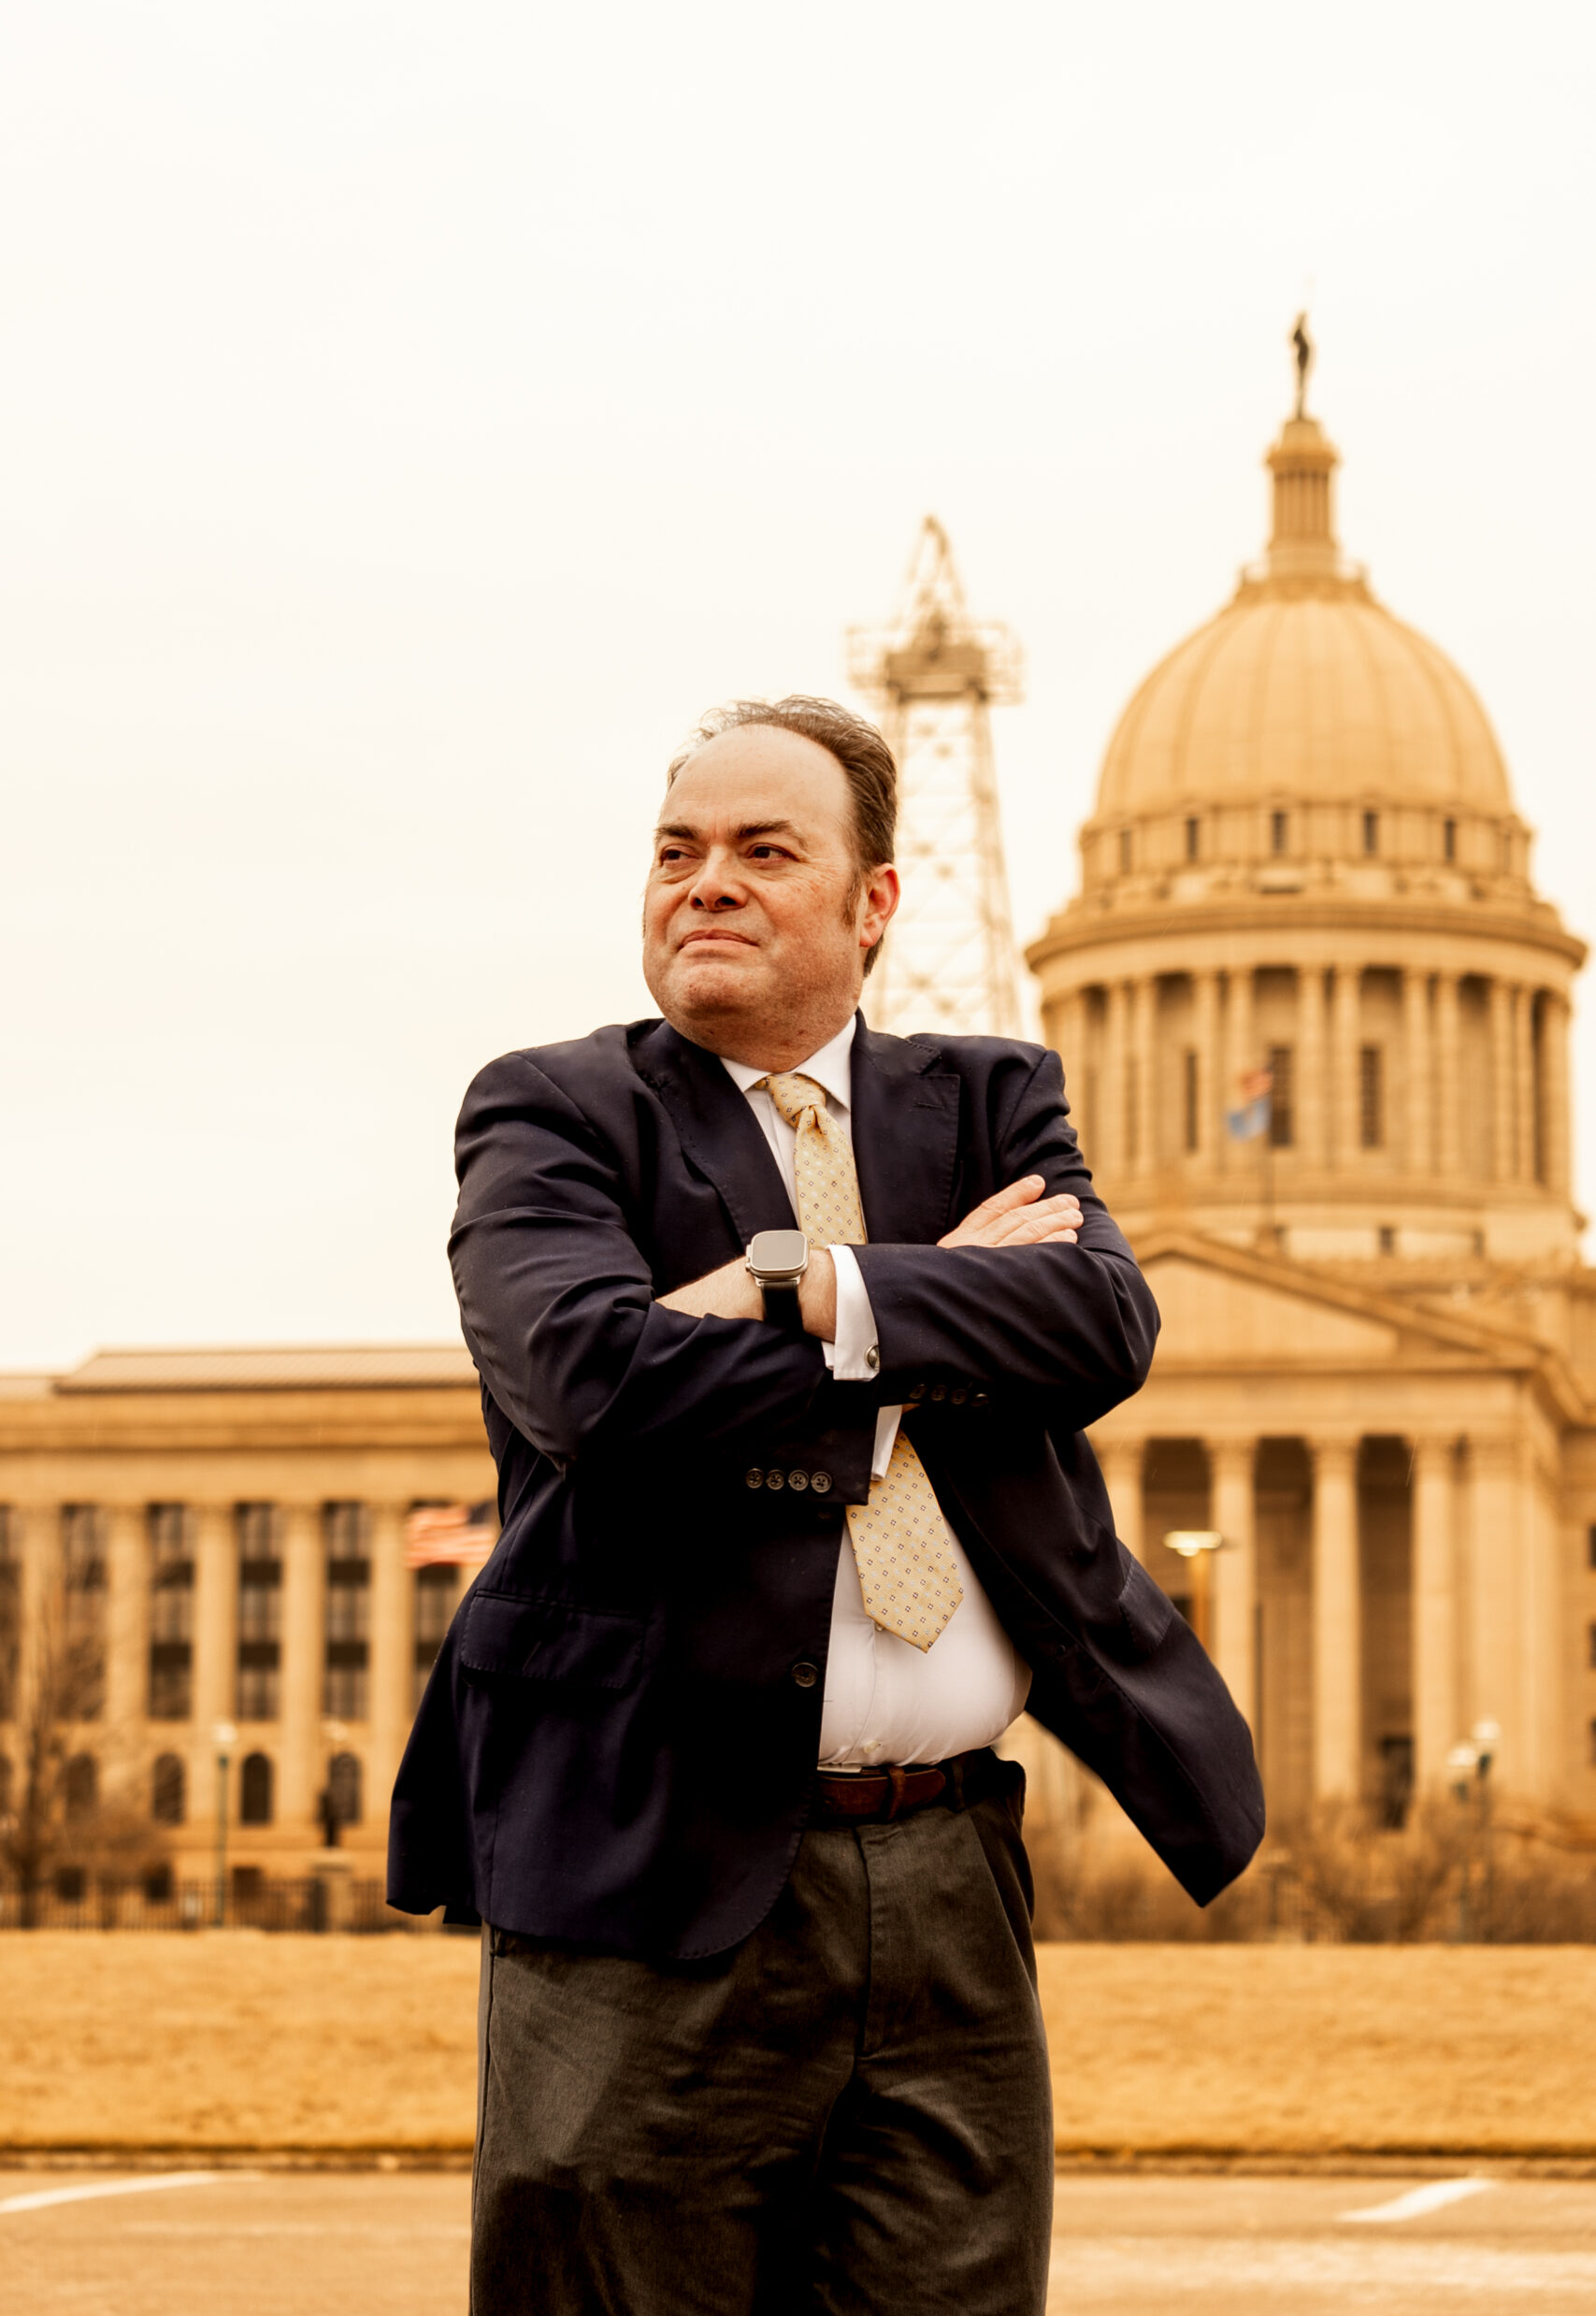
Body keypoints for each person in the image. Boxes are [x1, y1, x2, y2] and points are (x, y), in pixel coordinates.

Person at [389, 696, 1263, 2315]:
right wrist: (930, 1325)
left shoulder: (992, 1100)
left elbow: (1097, 1329)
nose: (704, 882)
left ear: (872, 904)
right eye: (678, 851)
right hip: (646, 1862)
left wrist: (783, 1289)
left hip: (945, 1868)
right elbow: (595, 1388)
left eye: (762, 850)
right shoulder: (556, 1112)